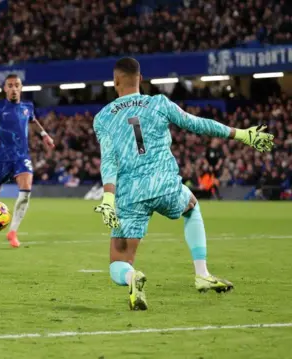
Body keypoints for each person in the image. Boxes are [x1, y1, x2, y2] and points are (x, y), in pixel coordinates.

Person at [93, 57, 274, 310]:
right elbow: (197, 124)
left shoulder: (103, 118)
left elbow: (109, 160)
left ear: (115, 81)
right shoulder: (158, 103)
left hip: (130, 193)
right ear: (141, 79)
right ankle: (202, 274)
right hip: (165, 185)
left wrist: (108, 199)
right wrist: (241, 134)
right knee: (191, 206)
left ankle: (131, 277)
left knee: (118, 260)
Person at [0, 74, 55, 248]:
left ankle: (13, 232)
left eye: (17, 85)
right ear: (5, 89)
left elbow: (33, 121)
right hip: (2, 158)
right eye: (10, 85)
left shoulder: (27, 106)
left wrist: (44, 134)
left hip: (22, 156)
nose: (14, 88)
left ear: (21, 87)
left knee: (25, 193)